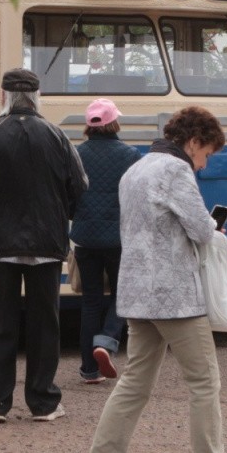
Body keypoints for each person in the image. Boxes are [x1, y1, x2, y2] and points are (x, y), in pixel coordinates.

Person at [80, 106, 227, 453]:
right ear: (193, 142)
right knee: (204, 382)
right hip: (175, 296)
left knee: (135, 382)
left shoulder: (136, 169)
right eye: (206, 153)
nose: (204, 163)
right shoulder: (176, 171)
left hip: (136, 292)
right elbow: (199, 229)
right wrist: (214, 226)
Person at [0, 67, 87, 423]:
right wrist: (60, 212)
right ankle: (43, 403)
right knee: (46, 323)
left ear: (5, 97)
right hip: (47, 243)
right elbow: (80, 185)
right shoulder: (57, 134)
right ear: (36, 96)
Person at [69, 98, 140, 383]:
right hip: (119, 239)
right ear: (114, 122)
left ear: (89, 125)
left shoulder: (76, 154)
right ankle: (107, 340)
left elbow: (69, 193)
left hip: (85, 238)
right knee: (124, 295)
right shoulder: (130, 155)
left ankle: (89, 369)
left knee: (91, 301)